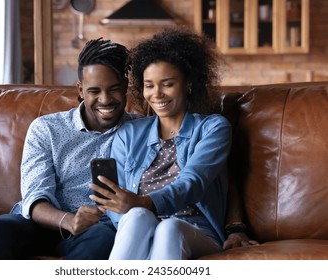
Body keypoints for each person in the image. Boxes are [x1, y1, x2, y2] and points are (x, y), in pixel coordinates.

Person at [0, 38, 135, 259]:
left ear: (126, 87)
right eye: (94, 91)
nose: (105, 99)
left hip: (97, 231)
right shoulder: (47, 129)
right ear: (80, 89)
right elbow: (35, 196)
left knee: (103, 238)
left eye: (114, 89)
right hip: (42, 225)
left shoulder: (141, 132)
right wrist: (69, 221)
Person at [89, 27, 234, 260]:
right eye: (149, 85)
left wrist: (144, 202)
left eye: (167, 84)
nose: (157, 94)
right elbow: (117, 208)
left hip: (195, 230)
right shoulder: (128, 134)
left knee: (168, 228)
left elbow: (193, 183)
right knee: (136, 217)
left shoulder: (213, 128)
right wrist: (132, 209)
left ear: (187, 83)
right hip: (139, 227)